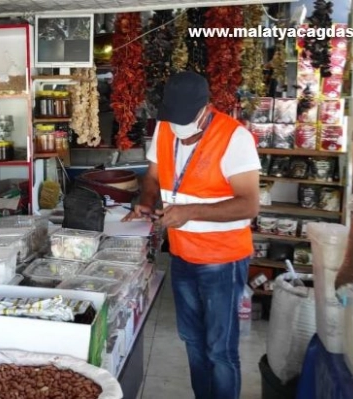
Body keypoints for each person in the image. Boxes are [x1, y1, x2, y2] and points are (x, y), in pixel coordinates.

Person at [123, 71, 261, 399]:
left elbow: (249, 204)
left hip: (222, 260)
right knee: (193, 341)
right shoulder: (166, 128)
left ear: (206, 109)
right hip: (183, 256)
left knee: (220, 350)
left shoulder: (234, 137)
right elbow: (154, 176)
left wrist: (189, 212)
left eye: (186, 120)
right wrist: (145, 202)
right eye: (174, 119)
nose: (178, 128)